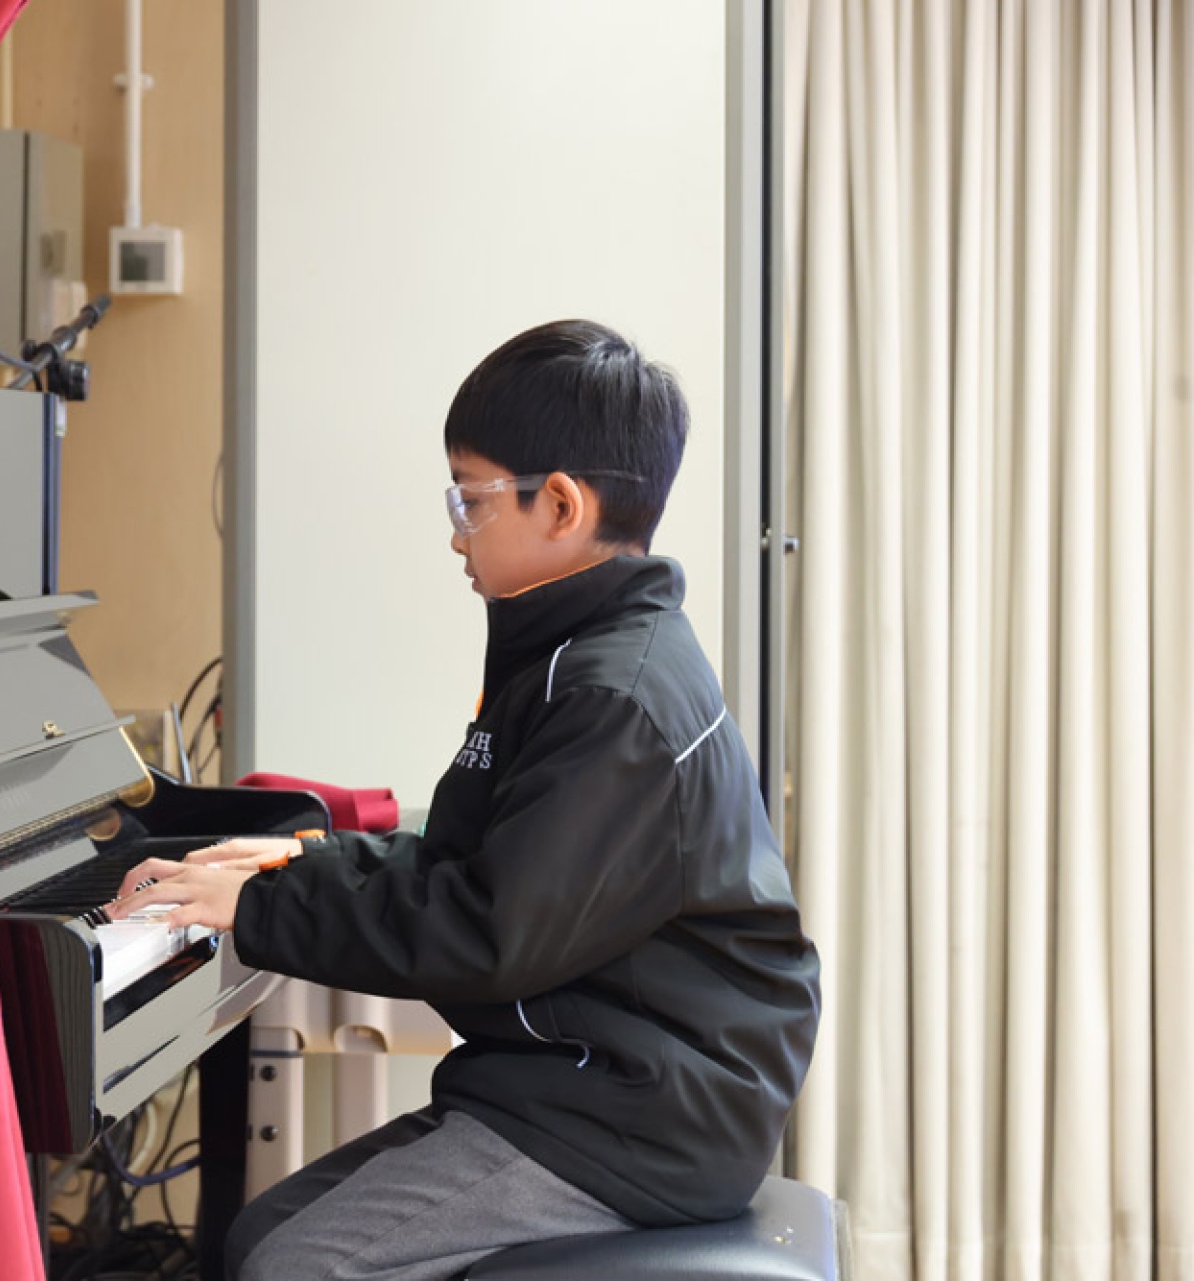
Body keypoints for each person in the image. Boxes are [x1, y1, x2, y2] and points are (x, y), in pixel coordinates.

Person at [108, 319, 822, 1281]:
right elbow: (469, 864)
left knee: (294, 1265)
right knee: (255, 1234)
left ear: (560, 504)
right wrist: (292, 859)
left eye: (470, 498)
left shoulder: (612, 697)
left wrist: (266, 905)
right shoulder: (566, 654)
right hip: (581, 1075)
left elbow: (488, 931)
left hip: (638, 1111)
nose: (454, 530)